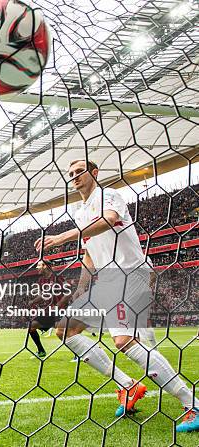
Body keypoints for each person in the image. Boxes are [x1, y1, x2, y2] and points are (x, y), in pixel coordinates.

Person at [34, 159, 198, 433]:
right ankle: (128, 385)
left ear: (94, 173)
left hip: (131, 272)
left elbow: (108, 222)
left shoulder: (109, 195)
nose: (74, 176)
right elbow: (89, 255)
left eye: (80, 171)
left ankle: (192, 403)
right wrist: (81, 290)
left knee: (123, 340)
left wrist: (63, 237)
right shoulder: (80, 211)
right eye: (71, 173)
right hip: (108, 279)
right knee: (66, 330)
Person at [27, 260, 69, 358]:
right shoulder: (41, 280)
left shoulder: (57, 277)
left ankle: (79, 354)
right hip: (49, 310)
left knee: (63, 333)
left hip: (61, 309)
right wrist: (33, 301)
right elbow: (42, 295)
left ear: (45, 266)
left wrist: (58, 305)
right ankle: (41, 351)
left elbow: (68, 293)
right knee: (31, 327)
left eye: (39, 265)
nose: (37, 268)